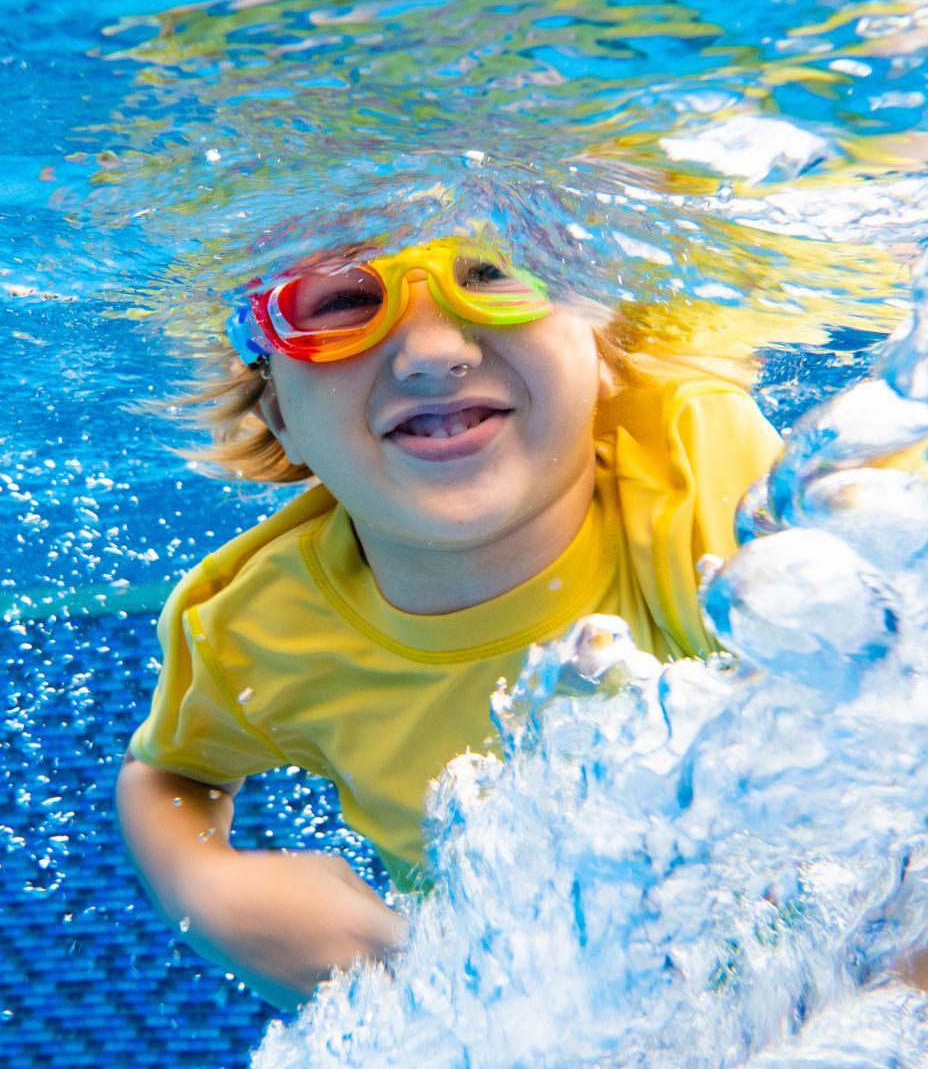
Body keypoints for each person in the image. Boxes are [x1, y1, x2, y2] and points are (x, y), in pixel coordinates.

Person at [115, 238, 783, 1010]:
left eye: (493, 274)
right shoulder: (257, 626)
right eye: (345, 302)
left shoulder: (703, 474)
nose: (433, 354)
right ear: (279, 418)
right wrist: (203, 883)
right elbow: (169, 774)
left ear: (605, 352)